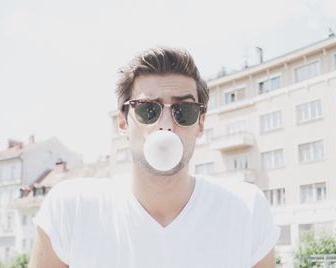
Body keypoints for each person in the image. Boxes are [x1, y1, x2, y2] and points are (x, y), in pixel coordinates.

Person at [29, 47, 280, 268]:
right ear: (123, 122)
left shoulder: (247, 210)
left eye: (184, 110)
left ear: (201, 123)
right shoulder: (70, 209)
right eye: (148, 109)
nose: (166, 124)